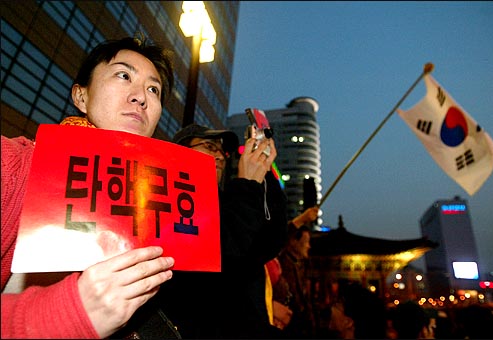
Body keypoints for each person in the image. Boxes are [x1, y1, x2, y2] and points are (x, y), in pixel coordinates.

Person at [1, 36, 176, 339]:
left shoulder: (155, 210)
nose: (141, 97)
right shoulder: (10, 164)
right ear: (81, 97)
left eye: (153, 89)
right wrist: (70, 313)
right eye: (124, 75)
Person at [156, 123, 288, 338]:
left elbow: (269, 241)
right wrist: (247, 185)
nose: (219, 156)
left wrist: (265, 173)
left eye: (222, 151)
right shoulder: (168, 200)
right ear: (179, 151)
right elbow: (225, 257)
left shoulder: (229, 201)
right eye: (209, 146)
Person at [277, 206, 319, 338]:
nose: (309, 246)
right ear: (294, 242)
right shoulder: (282, 259)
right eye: (306, 241)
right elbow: (280, 238)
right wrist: (302, 220)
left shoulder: (301, 266)